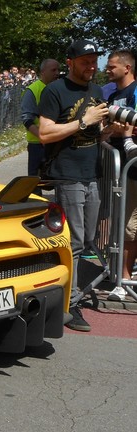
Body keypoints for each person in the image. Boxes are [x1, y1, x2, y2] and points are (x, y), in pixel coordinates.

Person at [38, 39, 111, 332]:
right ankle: (68, 304)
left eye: (94, 61)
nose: (91, 66)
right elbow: (45, 132)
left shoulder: (95, 90)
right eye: (85, 61)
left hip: (91, 173)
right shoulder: (55, 90)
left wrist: (109, 131)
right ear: (70, 62)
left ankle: (66, 297)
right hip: (67, 174)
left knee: (87, 239)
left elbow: (95, 134)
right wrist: (84, 121)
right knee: (76, 241)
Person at [105, 50, 137, 302]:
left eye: (112, 66)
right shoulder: (114, 95)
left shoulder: (135, 92)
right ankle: (118, 272)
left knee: (129, 225)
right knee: (119, 222)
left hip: (132, 167)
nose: (107, 69)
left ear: (126, 68)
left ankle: (123, 278)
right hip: (119, 168)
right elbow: (111, 130)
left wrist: (124, 135)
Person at [20, 58, 60, 194]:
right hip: (38, 144)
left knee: (61, 179)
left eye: (58, 70)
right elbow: (27, 119)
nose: (57, 73)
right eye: (53, 70)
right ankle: (36, 212)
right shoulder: (33, 90)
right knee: (35, 181)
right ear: (43, 72)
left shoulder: (60, 89)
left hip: (58, 142)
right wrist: (42, 136)